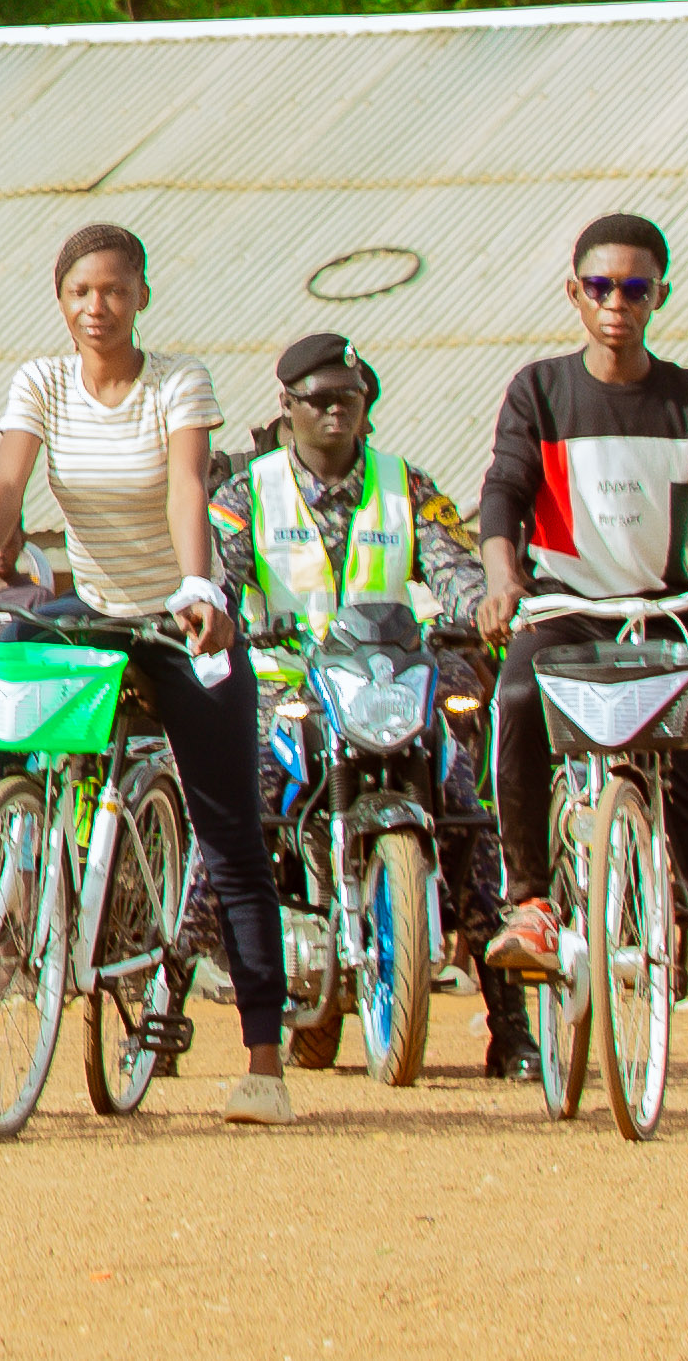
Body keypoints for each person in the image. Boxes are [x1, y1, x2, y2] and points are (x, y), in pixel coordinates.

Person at [0, 222, 296, 1124]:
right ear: (61, 301)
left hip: (182, 620)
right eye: (82, 292)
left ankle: (264, 1060)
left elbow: (185, 489)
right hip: (93, 617)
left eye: (116, 291)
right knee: (2, 668)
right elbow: (4, 489)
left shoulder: (178, 381)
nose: (99, 308)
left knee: (232, 834)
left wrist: (200, 586)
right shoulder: (40, 383)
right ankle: (4, 861)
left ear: (142, 298)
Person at [473, 210, 688, 1126]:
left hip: (663, 619)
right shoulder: (540, 390)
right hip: (565, 612)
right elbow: (503, 489)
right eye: (601, 287)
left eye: (636, 288)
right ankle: (530, 901)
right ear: (574, 293)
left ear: (660, 294)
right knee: (520, 689)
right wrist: (503, 583)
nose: (618, 304)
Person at [202, 327, 518, 1072]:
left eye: (351, 398)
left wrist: (479, 608)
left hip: (392, 686)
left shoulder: (408, 485)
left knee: (472, 816)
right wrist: (212, 615)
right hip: (287, 691)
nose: (337, 412)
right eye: (319, 400)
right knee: (238, 818)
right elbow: (219, 576)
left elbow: (454, 569)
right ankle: (163, 998)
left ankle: (512, 1025)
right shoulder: (245, 493)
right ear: (287, 407)